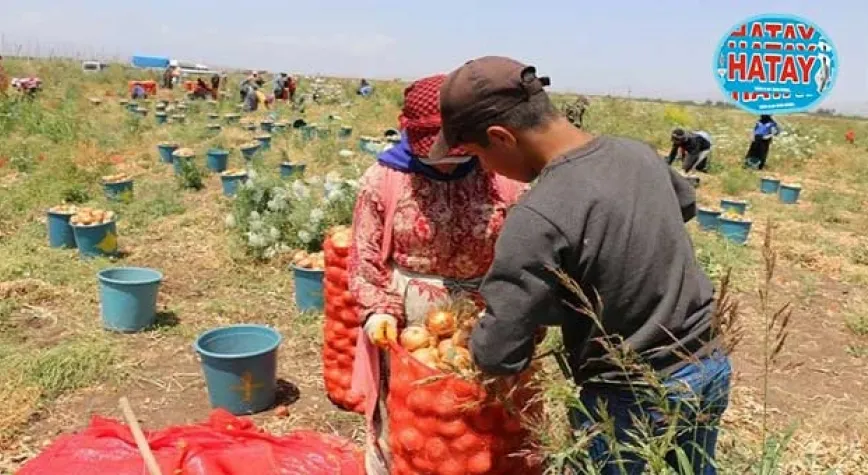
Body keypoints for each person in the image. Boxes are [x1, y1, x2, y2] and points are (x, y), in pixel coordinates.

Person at [429, 56, 730, 475]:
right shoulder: (637, 153)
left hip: (630, 396)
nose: (483, 167)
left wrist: (479, 341)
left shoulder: (537, 215)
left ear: (501, 137)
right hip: (707, 363)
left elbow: (498, 354)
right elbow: (683, 205)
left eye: (478, 154)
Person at [348, 74, 525, 475]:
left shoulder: (502, 176)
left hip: (486, 317)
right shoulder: (384, 179)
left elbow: (526, 255)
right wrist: (378, 309)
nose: (444, 159)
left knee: (482, 418)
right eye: (433, 150)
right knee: (415, 417)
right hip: (408, 319)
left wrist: (516, 312)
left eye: (455, 149)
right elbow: (363, 255)